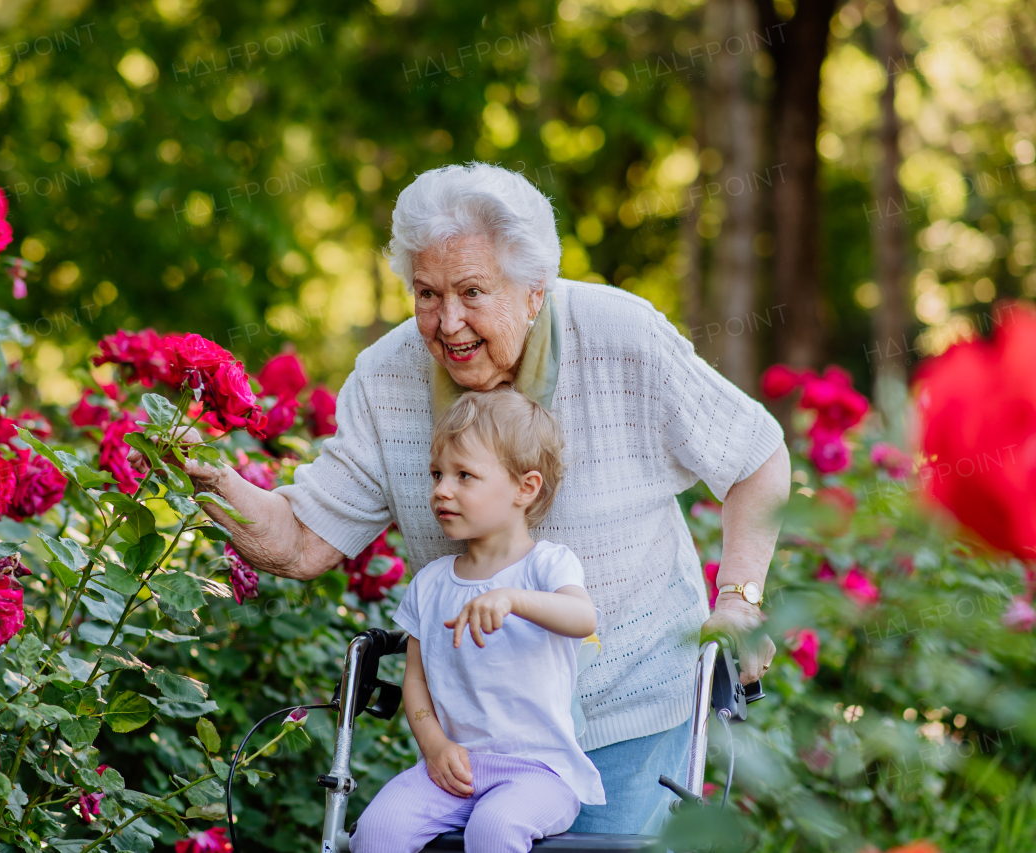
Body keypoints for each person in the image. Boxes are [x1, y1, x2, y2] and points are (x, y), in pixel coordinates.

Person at [132, 162, 791, 832]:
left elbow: (756, 456)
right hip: (476, 740)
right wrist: (209, 475)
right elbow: (302, 539)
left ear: (535, 291)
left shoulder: (620, 336)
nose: (448, 323)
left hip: (633, 705)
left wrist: (740, 599)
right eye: (426, 294)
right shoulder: (387, 378)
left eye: (472, 292)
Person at [351, 388, 600, 853]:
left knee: (494, 830)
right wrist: (435, 747)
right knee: (375, 832)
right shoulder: (431, 583)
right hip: (454, 767)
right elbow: (416, 682)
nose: (442, 489)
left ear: (525, 489)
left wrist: (514, 599)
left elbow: (582, 617)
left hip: (541, 773)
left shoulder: (547, 566)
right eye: (438, 474)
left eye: (464, 475)